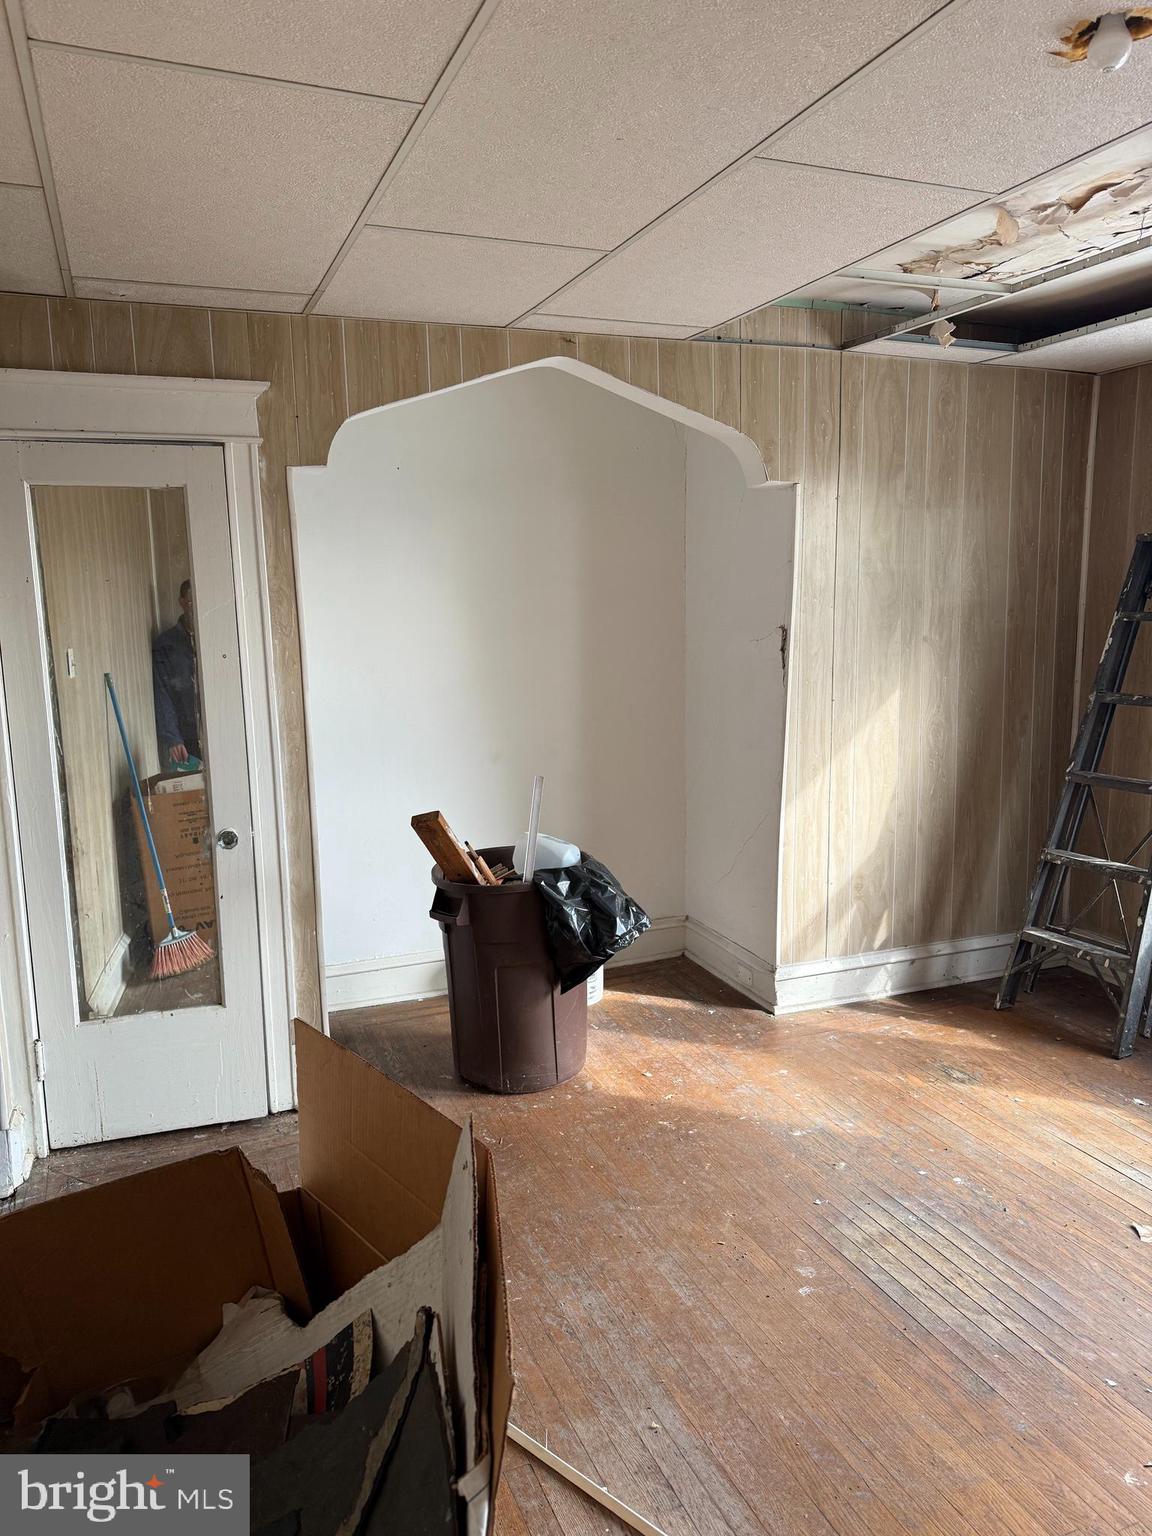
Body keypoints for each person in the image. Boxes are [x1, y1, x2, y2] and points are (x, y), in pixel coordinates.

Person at [152, 579, 201, 766]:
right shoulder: (167, 645)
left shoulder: (217, 639)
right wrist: (173, 737)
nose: (195, 608)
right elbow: (162, 693)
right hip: (186, 736)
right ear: (181, 602)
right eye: (190, 602)